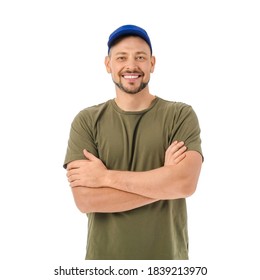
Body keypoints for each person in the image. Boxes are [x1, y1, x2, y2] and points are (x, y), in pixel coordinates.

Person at [64, 24, 203, 260]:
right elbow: (85, 200)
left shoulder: (180, 115)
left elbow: (185, 184)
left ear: (152, 63)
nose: (131, 66)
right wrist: (165, 181)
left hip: (167, 263)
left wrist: (105, 178)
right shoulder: (87, 121)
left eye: (140, 57)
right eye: (121, 57)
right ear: (108, 65)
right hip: (104, 265)